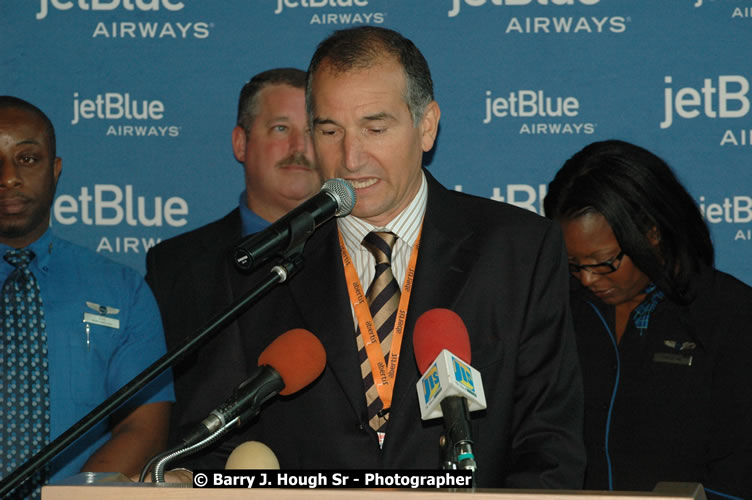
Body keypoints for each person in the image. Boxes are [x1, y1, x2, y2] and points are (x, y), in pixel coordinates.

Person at [152, 27, 585, 488]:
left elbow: (549, 445)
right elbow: (215, 448)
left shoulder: (518, 250)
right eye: (330, 130)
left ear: (427, 126)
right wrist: (187, 478)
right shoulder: (264, 266)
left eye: (375, 128)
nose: (351, 158)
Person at [544, 139, 752, 499]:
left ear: (651, 233)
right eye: (574, 265)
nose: (588, 279)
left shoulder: (731, 316)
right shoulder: (555, 310)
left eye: (604, 262)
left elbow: (738, 468)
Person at [0, 96, 174, 497]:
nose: (8, 177)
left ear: (55, 171)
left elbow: (143, 427)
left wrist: (70, 498)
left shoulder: (121, 290)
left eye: (27, 158)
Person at [145, 68, 322, 446]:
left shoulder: (365, 256)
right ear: (240, 143)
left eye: (313, 131)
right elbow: (156, 409)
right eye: (280, 128)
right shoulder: (172, 265)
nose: (300, 148)